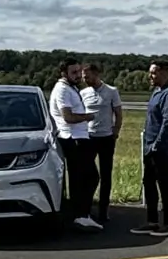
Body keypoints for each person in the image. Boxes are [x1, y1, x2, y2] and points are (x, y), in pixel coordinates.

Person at [49, 59, 102, 231]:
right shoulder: (63, 90)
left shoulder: (70, 88)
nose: (78, 76)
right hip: (73, 138)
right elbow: (68, 117)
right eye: (74, 72)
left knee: (83, 178)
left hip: (78, 137)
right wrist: (88, 117)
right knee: (87, 177)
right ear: (64, 73)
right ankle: (81, 214)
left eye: (79, 72)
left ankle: (81, 213)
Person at [139, 59, 168, 234]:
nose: (151, 76)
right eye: (150, 72)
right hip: (149, 146)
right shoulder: (157, 92)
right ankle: (152, 221)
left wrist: (158, 144)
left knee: (163, 184)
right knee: (148, 183)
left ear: (165, 73)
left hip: (162, 148)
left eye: (154, 72)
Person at [81, 63, 123, 225]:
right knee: (88, 174)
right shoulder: (83, 93)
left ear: (97, 74)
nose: (85, 79)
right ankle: (86, 207)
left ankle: (104, 210)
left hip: (106, 138)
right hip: (89, 138)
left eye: (88, 76)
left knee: (106, 174)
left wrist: (115, 131)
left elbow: (118, 113)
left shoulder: (111, 91)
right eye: (84, 77)